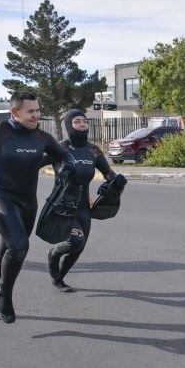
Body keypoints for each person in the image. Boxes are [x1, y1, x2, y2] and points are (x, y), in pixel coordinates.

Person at [0, 91, 76, 324]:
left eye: (38, 110)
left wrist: (67, 166)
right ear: (15, 111)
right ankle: (4, 295)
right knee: (19, 247)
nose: (36, 115)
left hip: (28, 202)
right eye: (31, 111)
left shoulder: (42, 137)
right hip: (1, 197)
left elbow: (64, 156)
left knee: (6, 252)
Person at [42, 109, 122, 292]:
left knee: (79, 247)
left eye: (85, 121)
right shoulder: (59, 148)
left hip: (84, 206)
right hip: (63, 206)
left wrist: (114, 183)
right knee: (75, 241)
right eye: (77, 121)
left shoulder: (93, 150)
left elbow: (109, 174)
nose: (82, 124)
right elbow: (32, 165)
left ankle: (59, 279)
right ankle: (53, 254)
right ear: (69, 125)